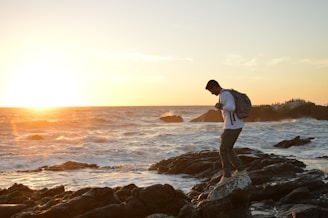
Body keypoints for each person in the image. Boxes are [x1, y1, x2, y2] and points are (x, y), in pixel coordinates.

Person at [205, 79, 247, 186]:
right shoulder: (225, 94)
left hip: (232, 126)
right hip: (234, 125)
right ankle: (241, 169)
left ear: (215, 87)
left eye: (211, 91)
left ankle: (227, 175)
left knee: (223, 149)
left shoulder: (225, 94)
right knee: (228, 148)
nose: (212, 93)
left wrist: (221, 106)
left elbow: (232, 107)